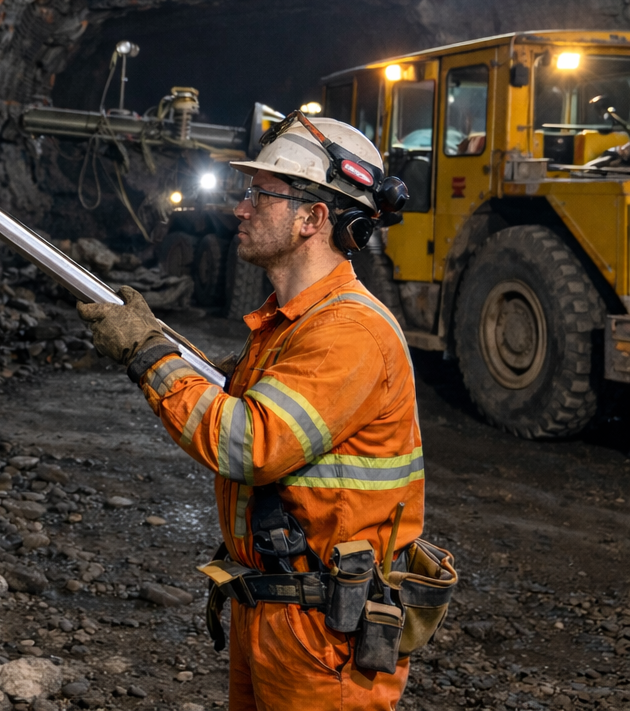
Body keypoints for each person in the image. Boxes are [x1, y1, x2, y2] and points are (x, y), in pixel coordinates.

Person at [79, 115, 436, 711]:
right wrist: (180, 356)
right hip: (277, 608)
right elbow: (242, 400)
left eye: (259, 194)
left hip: (323, 634)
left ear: (312, 218)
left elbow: (248, 443)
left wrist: (149, 356)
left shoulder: (348, 331)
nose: (240, 209)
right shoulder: (291, 326)